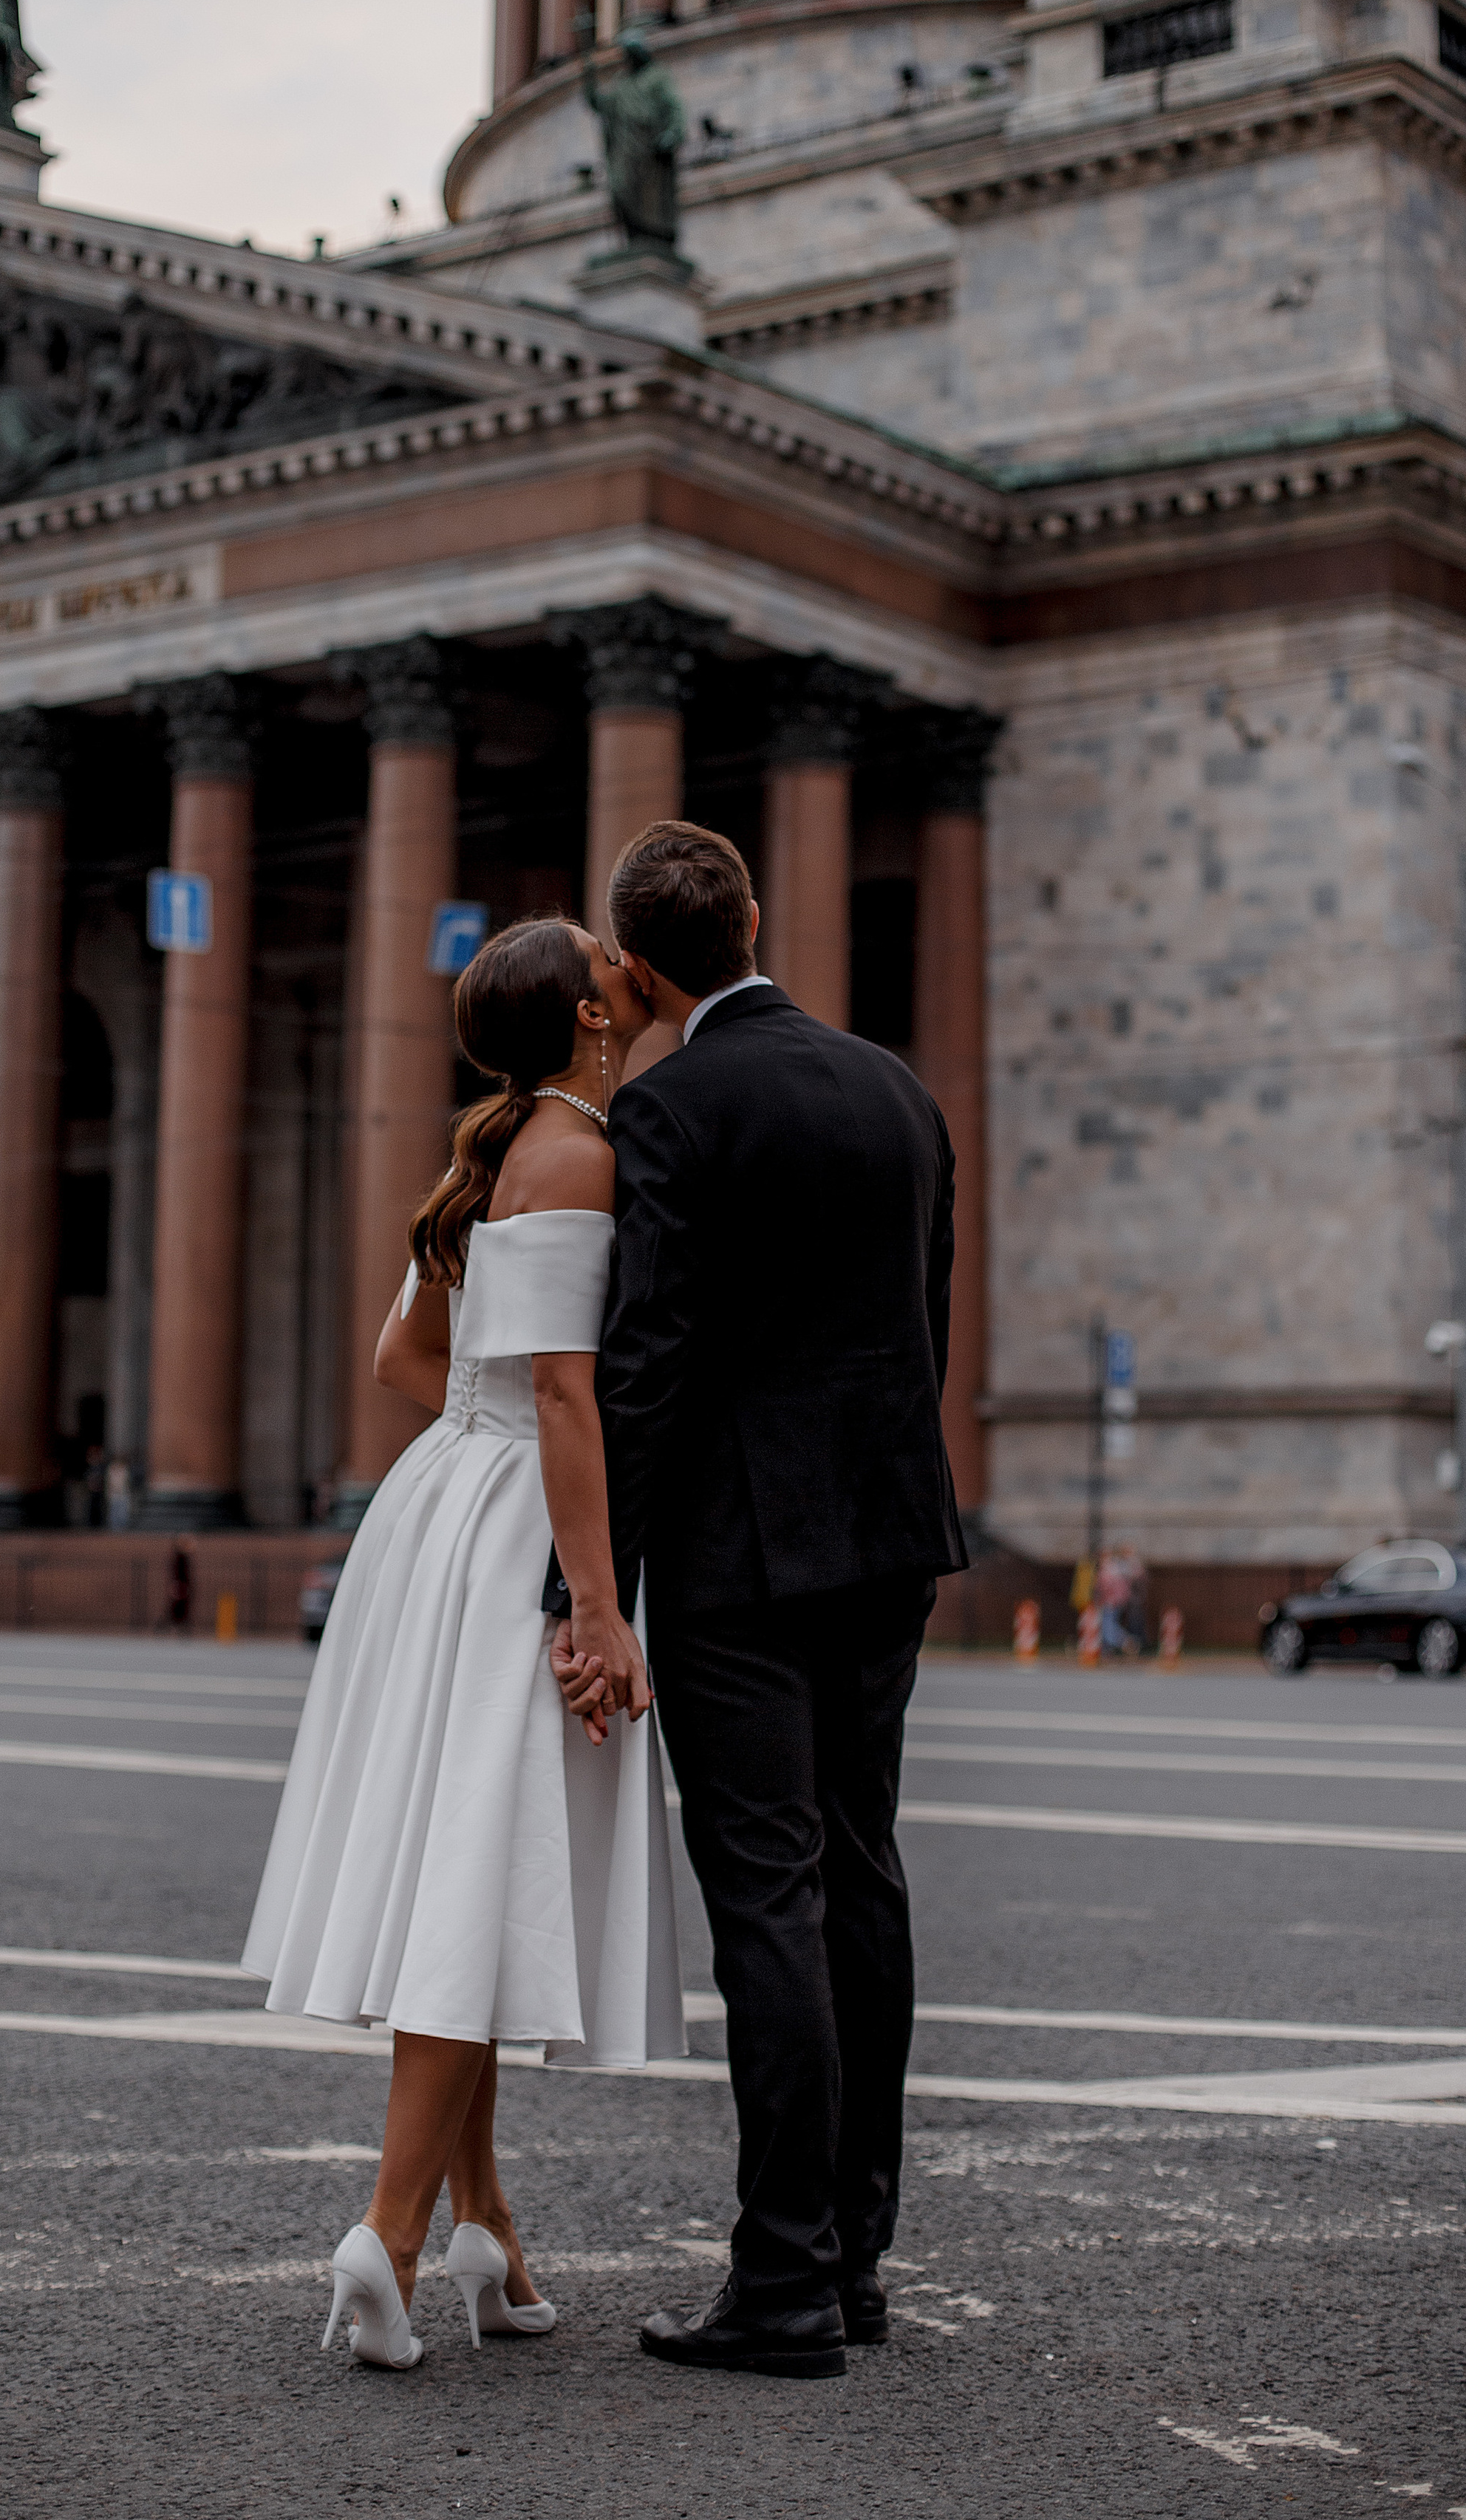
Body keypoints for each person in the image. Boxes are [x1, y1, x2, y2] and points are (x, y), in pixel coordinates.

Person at [244, 916, 683, 2372]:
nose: (622, 956)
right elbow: (564, 1393)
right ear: (588, 1015)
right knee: (476, 1878)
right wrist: (595, 1605)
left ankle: (484, 2225)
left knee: (470, 1875)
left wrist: (477, 1428)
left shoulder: (497, 1152)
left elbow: (403, 1358)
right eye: (601, 953)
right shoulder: (575, 1154)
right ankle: (386, 2235)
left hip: (442, 1505)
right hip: (519, 1530)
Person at [585, 820, 963, 2382]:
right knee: (861, 1879)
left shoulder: (669, 1104)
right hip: (889, 1534)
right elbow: (925, 1320)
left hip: (739, 1556)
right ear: (752, 917)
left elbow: (646, 1358)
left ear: (635, 969)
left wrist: (587, 1584)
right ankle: (854, 2259)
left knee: (768, 1899)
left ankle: (786, 2280)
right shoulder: (897, 1090)